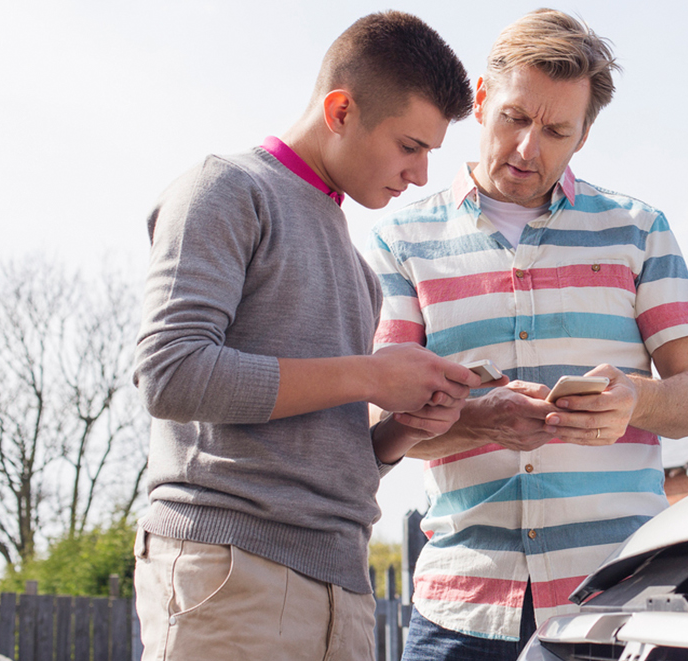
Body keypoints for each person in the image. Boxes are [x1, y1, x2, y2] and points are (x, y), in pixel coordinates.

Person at [363, 9, 688, 658]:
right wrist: (481, 421)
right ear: (480, 100)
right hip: (460, 609)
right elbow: (378, 423)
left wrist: (636, 401)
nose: (529, 148)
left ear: (584, 135)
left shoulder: (639, 230)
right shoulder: (400, 239)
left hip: (615, 604)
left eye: (557, 129)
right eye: (515, 118)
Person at [132, 12, 491, 661]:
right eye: (410, 145)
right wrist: (373, 375)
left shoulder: (360, 270)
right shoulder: (226, 189)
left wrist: (404, 429)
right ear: (341, 110)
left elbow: (328, 452)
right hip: (230, 574)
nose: (420, 173)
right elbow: (171, 373)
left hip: (344, 588)